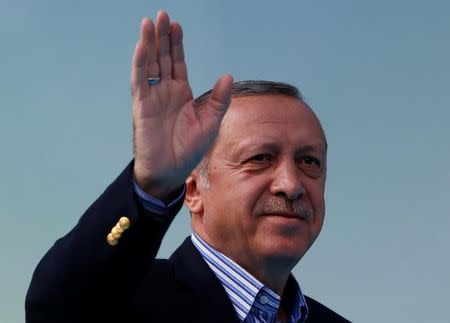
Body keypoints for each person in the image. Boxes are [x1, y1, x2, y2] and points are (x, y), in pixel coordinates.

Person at [26, 10, 350, 323]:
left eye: (309, 161)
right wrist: (153, 183)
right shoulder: (121, 304)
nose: (291, 184)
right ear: (193, 190)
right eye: (260, 158)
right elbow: (56, 305)